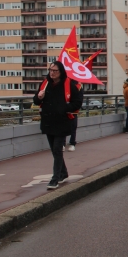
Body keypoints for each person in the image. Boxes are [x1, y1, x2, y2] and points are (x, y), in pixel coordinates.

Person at [33, 61, 82, 190]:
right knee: (54, 151)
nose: (52, 73)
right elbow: (36, 100)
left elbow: (77, 102)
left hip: (62, 122)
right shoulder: (45, 84)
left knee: (57, 149)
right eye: (50, 70)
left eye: (55, 70)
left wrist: (65, 108)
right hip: (48, 122)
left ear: (61, 72)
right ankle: (64, 173)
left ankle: (55, 178)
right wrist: (39, 97)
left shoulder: (68, 84)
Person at [66, 84, 83, 152]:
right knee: (62, 127)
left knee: (73, 127)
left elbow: (80, 99)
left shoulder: (78, 86)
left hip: (73, 111)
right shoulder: (63, 83)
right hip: (63, 110)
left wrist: (72, 107)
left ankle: (72, 143)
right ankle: (62, 144)